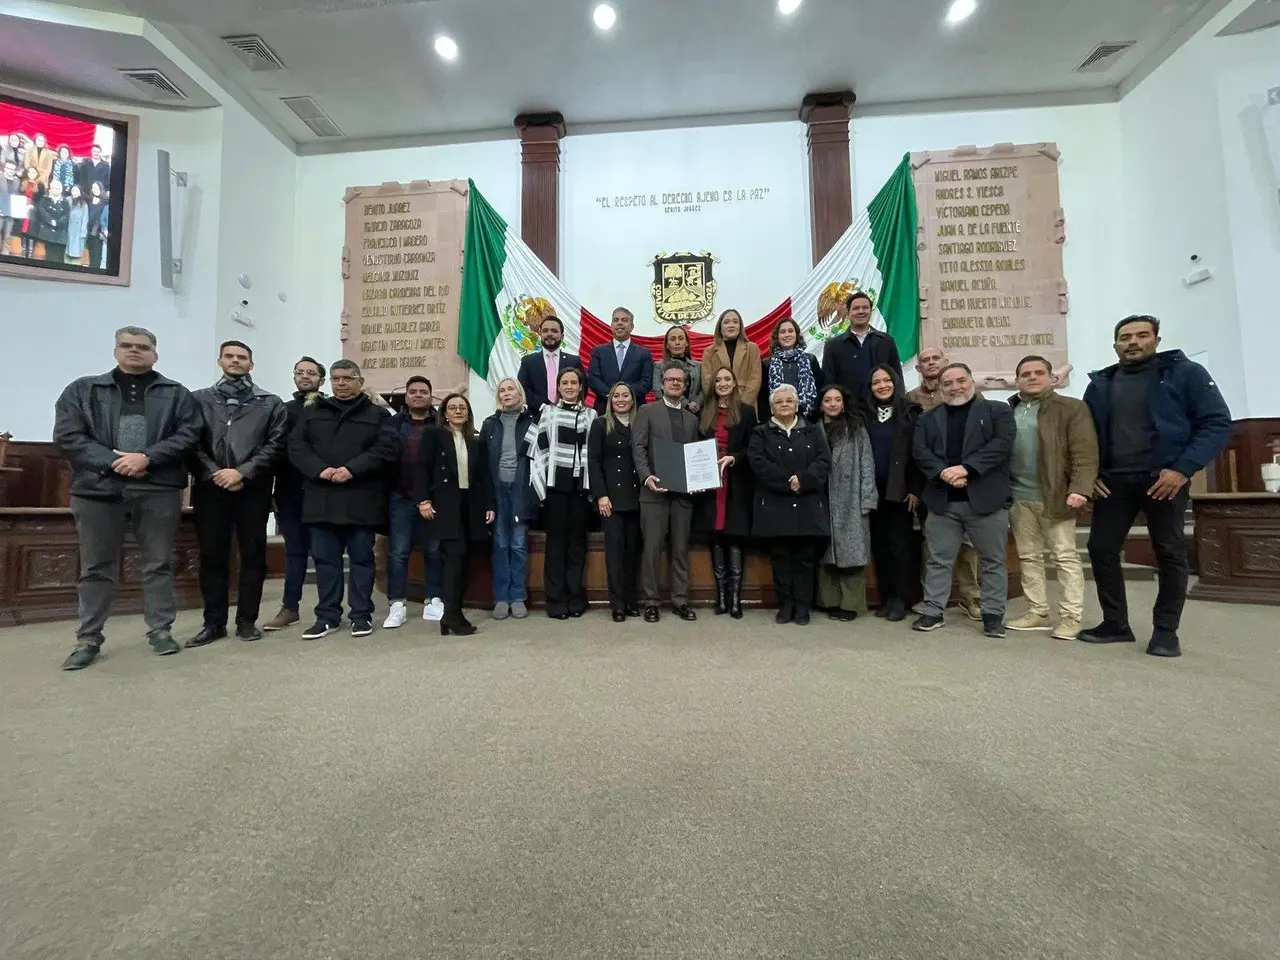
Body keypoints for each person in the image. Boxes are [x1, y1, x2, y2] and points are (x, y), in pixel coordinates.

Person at [53, 327, 203, 670]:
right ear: (115, 350)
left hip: (157, 486)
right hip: (97, 489)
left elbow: (189, 435)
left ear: (155, 354)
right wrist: (115, 462)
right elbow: (67, 436)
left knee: (159, 561)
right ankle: (89, 637)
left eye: (142, 347)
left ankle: (161, 630)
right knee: (95, 566)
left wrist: (146, 457)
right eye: (127, 345)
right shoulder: (83, 389)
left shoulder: (176, 394)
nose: (134, 351)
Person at [1081, 315, 1231, 658]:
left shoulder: (1186, 373)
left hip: (1163, 480)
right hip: (1113, 481)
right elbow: (1086, 436)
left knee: (1169, 552)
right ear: (1115, 344)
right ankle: (1115, 623)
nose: (1133, 341)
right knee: (1101, 549)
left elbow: (1216, 423)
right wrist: (1092, 474)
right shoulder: (1100, 384)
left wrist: (1182, 469)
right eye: (1125, 337)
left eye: (1141, 335)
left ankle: (1165, 631)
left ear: (1156, 340)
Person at [288, 360, 399, 640]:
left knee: (362, 560)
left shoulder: (378, 415)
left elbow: (386, 448)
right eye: (336, 379)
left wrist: (352, 469)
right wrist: (320, 469)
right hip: (321, 498)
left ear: (359, 381)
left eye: (347, 378)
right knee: (326, 561)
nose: (341, 383)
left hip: (360, 499)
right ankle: (327, 617)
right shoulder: (313, 412)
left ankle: (361, 616)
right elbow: (297, 446)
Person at [186, 340, 287, 647]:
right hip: (210, 488)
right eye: (229, 356)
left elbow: (276, 444)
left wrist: (242, 472)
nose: (235, 361)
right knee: (213, 557)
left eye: (241, 357)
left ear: (251, 364)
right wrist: (216, 473)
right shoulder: (197, 400)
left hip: (251, 489)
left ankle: (246, 621)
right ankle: (213, 622)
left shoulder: (270, 403)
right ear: (219, 361)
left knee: (253, 556)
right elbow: (190, 442)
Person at [911, 363, 1015, 638]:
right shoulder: (928, 418)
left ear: (972, 381)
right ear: (940, 387)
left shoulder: (998, 410)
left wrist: (966, 469)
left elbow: (1001, 445)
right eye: (948, 383)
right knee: (938, 560)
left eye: (961, 380)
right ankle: (933, 611)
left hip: (986, 500)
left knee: (993, 560)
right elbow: (920, 452)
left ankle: (993, 615)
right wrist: (945, 473)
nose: (955, 387)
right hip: (943, 502)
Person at [1005, 355, 1099, 641]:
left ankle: (1071, 617)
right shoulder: (1010, 409)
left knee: (1065, 557)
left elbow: (1085, 453)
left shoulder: (1071, 408)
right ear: (1017, 379)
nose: (1032, 378)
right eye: (1025, 374)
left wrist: (1081, 488)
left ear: (1051, 377)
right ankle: (1038, 611)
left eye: (1038, 373)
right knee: (1028, 557)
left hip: (1056, 496)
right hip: (1019, 497)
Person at [906, 345, 982, 619]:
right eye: (925, 360)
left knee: (967, 544)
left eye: (935, 358)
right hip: (931, 484)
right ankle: (933, 600)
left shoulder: (965, 394)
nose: (930, 363)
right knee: (933, 544)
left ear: (945, 361)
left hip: (966, 480)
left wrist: (965, 472)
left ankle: (971, 597)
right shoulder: (910, 399)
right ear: (919, 368)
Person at [748, 384, 832, 626]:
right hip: (776, 505)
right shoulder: (760, 432)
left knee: (806, 560)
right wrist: (788, 482)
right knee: (781, 560)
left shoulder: (813, 432)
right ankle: (786, 605)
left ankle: (803, 607)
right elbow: (758, 463)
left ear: (797, 405)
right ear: (771, 407)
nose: (784, 404)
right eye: (779, 402)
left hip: (807, 506)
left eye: (789, 401)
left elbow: (823, 461)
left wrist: (803, 480)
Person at [416, 394, 494, 636]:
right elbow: (421, 468)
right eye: (452, 407)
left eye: (462, 407)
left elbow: (484, 477)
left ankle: (451, 613)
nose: (458, 411)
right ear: (445, 413)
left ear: (468, 413)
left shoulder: (476, 440)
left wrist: (490, 505)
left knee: (463, 560)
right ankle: (452, 614)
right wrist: (423, 500)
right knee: (454, 558)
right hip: (445, 504)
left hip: (470, 505)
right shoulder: (433, 435)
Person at [632, 362, 702, 622]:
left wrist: (699, 478)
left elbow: (696, 455)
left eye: (680, 381)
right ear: (661, 385)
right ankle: (651, 601)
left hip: (683, 495)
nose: (675, 383)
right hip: (654, 492)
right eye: (670, 379)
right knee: (652, 548)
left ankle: (680, 600)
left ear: (686, 386)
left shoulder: (693, 419)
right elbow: (638, 447)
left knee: (680, 549)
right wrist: (646, 476)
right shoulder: (647, 411)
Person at [528, 366, 597, 618]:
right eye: (564, 382)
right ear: (558, 387)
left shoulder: (592, 415)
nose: (569, 386)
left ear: (581, 387)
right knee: (556, 545)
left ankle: (575, 597)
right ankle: (555, 600)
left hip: (581, 488)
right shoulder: (548, 412)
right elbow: (535, 448)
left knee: (577, 545)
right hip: (555, 486)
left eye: (574, 382)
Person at [265, 357, 325, 632]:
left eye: (311, 373)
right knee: (295, 552)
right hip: (289, 490)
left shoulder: (329, 408)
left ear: (321, 379)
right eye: (300, 372)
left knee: (325, 552)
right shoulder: (282, 410)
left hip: (323, 491)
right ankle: (290, 607)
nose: (305, 377)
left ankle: (327, 610)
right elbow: (274, 450)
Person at [383, 375, 444, 629]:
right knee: (398, 552)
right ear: (406, 397)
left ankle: (434, 599)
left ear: (431, 396)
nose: (418, 395)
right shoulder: (392, 424)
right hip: (401, 496)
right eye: (413, 392)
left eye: (423, 391)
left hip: (433, 498)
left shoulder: (442, 423)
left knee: (434, 550)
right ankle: (397, 604)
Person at [865, 364, 923, 621]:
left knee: (901, 547)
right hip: (873, 493)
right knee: (880, 547)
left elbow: (919, 455)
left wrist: (914, 489)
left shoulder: (911, 412)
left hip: (901, 492)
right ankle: (887, 597)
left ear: (895, 383)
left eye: (886, 381)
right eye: (876, 382)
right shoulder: (864, 414)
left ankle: (902, 599)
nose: (882, 386)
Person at [699, 367, 757, 618]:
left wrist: (734, 458)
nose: (722, 383)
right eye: (718, 379)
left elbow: (753, 449)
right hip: (710, 484)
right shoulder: (705, 412)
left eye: (727, 379)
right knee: (716, 537)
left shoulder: (746, 412)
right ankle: (720, 598)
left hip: (735, 481)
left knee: (734, 537)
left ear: (735, 384)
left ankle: (735, 599)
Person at [479, 378, 537, 620]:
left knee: (519, 545)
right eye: (502, 390)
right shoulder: (490, 424)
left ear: (519, 393)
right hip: (497, 491)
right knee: (501, 545)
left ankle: (518, 597)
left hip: (521, 490)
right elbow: (481, 466)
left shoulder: (532, 421)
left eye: (510, 388)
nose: (506, 393)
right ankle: (502, 597)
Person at [817, 385, 877, 621]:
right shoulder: (814, 429)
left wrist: (868, 498)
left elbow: (867, 463)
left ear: (843, 403)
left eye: (837, 399)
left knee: (851, 553)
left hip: (850, 498)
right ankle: (829, 601)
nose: (832, 404)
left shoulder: (856, 428)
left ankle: (851, 605)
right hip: (822, 498)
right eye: (827, 400)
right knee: (826, 554)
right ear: (821, 403)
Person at [589, 383, 643, 622]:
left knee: (632, 552)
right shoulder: (600, 424)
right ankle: (617, 603)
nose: (621, 400)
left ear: (633, 399)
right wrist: (601, 495)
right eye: (616, 396)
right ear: (610, 400)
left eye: (625, 396)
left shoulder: (642, 423)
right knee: (615, 554)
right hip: (611, 499)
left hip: (638, 499)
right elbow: (593, 462)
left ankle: (631, 600)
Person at [820, 291, 903, 399]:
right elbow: (829, 382)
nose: (861, 311)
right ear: (848, 313)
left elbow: (897, 377)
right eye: (856, 308)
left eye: (865, 308)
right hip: (849, 410)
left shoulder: (886, 341)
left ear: (870, 311)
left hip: (881, 407)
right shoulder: (833, 345)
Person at [588, 306, 654, 414]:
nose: (619, 323)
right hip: (604, 409)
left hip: (635, 410)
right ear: (611, 325)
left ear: (631, 326)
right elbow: (593, 379)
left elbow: (646, 382)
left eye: (624, 320)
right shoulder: (598, 351)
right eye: (615, 320)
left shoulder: (644, 353)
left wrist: (626, 396)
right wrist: (612, 395)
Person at [759, 316, 822, 422]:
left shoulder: (810, 360)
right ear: (777, 336)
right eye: (782, 332)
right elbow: (763, 397)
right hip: (777, 420)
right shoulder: (767, 364)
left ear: (796, 335)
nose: (787, 334)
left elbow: (820, 388)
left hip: (809, 420)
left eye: (790, 331)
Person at [517, 315, 583, 415]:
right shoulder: (528, 361)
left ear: (562, 336)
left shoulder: (573, 361)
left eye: (554, 331)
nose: (549, 334)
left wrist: (567, 406)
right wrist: (542, 406)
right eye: (545, 331)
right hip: (535, 416)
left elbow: (583, 387)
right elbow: (522, 388)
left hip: (568, 415)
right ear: (540, 334)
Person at [700, 308, 762, 408]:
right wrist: (721, 404)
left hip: (746, 405)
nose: (731, 325)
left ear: (740, 327)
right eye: (726, 322)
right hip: (718, 407)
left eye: (735, 322)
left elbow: (755, 379)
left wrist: (743, 405)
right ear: (720, 328)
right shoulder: (709, 352)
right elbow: (707, 382)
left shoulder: (752, 348)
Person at [652, 325, 703, 414]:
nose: (677, 342)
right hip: (668, 412)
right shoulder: (659, 366)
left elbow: (705, 389)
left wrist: (697, 403)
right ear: (667, 345)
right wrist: (686, 404)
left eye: (681, 338)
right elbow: (658, 393)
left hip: (695, 413)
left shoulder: (699, 366)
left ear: (687, 342)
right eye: (672, 339)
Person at [33, 178, 70, 262]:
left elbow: (67, 215)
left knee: (59, 258)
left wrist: (57, 223)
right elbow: (41, 210)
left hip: (61, 235)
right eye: (53, 188)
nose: (55, 190)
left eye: (57, 188)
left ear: (61, 190)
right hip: (48, 233)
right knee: (49, 257)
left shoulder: (65, 202)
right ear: (50, 189)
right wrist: (51, 220)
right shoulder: (44, 199)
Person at [85, 182, 108, 270]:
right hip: (89, 232)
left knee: (97, 255)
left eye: (97, 188)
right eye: (93, 188)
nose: (95, 190)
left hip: (98, 233)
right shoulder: (89, 200)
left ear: (101, 189)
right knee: (90, 255)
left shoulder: (105, 202)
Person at [18, 167, 40, 259]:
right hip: (23, 208)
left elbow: (40, 199)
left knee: (31, 231)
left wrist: (33, 205)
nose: (31, 173)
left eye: (34, 172)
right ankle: (23, 254)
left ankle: (29, 255)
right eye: (30, 172)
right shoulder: (23, 183)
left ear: (36, 174)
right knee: (23, 230)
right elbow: (19, 195)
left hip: (34, 210)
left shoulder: (40, 185)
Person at [65, 185, 88, 265]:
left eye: (77, 191)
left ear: (80, 192)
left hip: (78, 232)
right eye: (73, 190)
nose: (75, 192)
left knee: (76, 253)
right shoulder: (67, 200)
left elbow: (85, 220)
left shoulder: (84, 204)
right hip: (67, 229)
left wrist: (83, 233)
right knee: (66, 252)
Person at [0, 160, 19, 256]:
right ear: (5, 168)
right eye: (9, 168)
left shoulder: (17, 181)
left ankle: (5, 253)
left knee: (8, 233)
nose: (11, 170)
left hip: (11, 211)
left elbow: (17, 195)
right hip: (0, 210)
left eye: (13, 169)